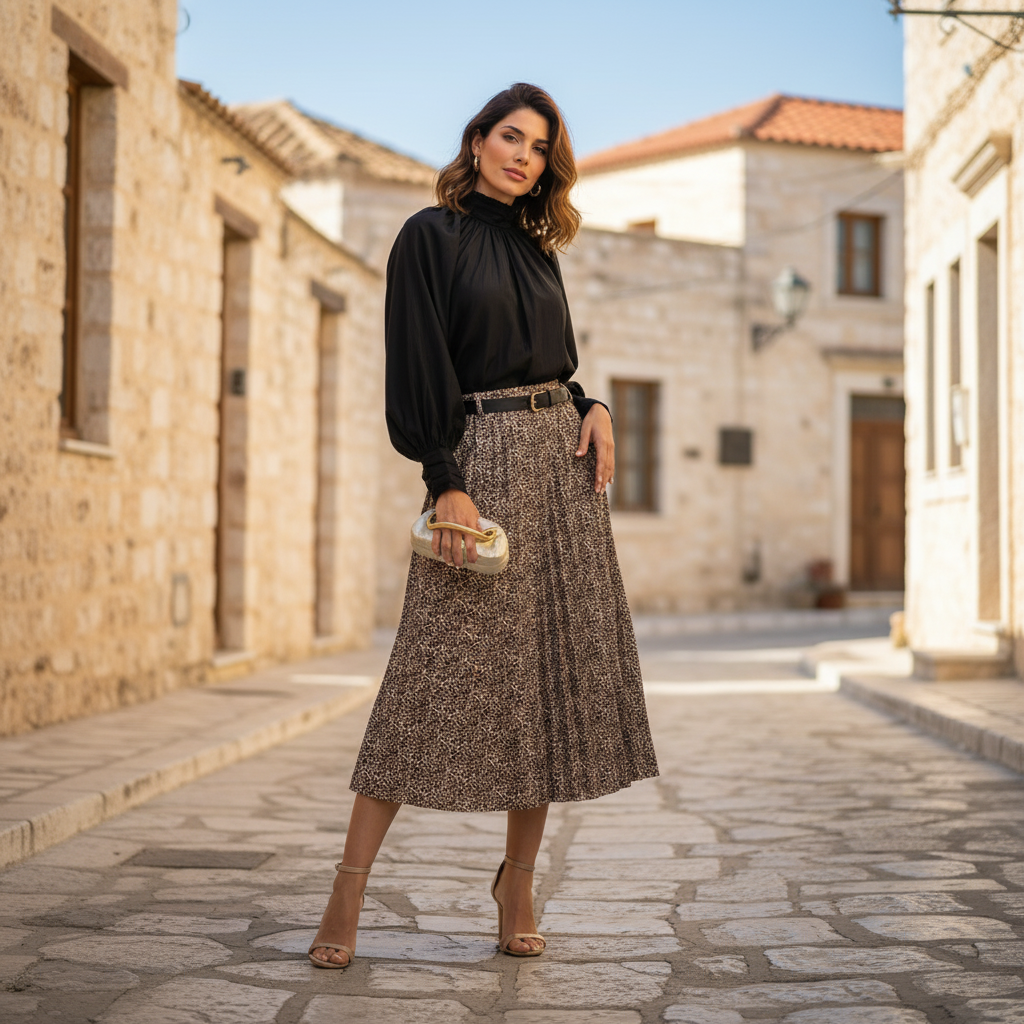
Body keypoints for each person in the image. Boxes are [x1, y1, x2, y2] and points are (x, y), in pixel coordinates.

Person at [308, 83, 658, 969]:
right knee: (427, 674)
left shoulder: (540, 252)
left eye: (540, 148)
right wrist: (444, 480)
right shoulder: (431, 236)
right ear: (476, 139)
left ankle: (518, 882)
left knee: (539, 682)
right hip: (483, 467)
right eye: (511, 136)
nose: (523, 156)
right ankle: (347, 886)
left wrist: (597, 406)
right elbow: (420, 365)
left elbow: (556, 368)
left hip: (562, 471)